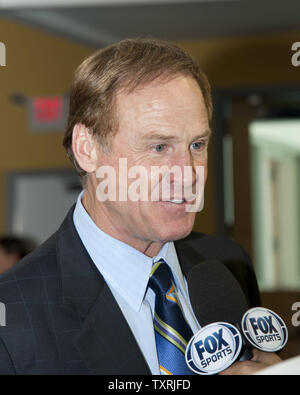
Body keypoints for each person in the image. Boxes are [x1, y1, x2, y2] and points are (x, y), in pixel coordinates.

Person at [0, 38, 281, 375]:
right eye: (159, 147)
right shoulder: (13, 318)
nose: (188, 175)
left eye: (197, 144)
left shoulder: (227, 264)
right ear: (87, 149)